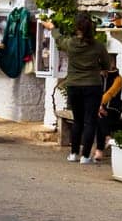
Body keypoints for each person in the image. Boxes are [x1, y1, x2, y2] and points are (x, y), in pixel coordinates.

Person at [40, 13, 109, 164]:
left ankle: (73, 153)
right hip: (92, 86)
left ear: (77, 28)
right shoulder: (98, 46)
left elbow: (58, 39)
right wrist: (100, 68)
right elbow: (106, 65)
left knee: (77, 120)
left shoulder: (71, 43)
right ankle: (85, 156)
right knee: (90, 121)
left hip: (74, 85)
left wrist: (52, 27)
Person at [92, 54, 122, 160]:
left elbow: (110, 94)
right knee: (100, 117)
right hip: (100, 108)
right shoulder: (99, 77)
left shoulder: (119, 79)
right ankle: (106, 138)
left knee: (100, 118)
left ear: (113, 64)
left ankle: (99, 150)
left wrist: (99, 105)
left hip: (114, 108)